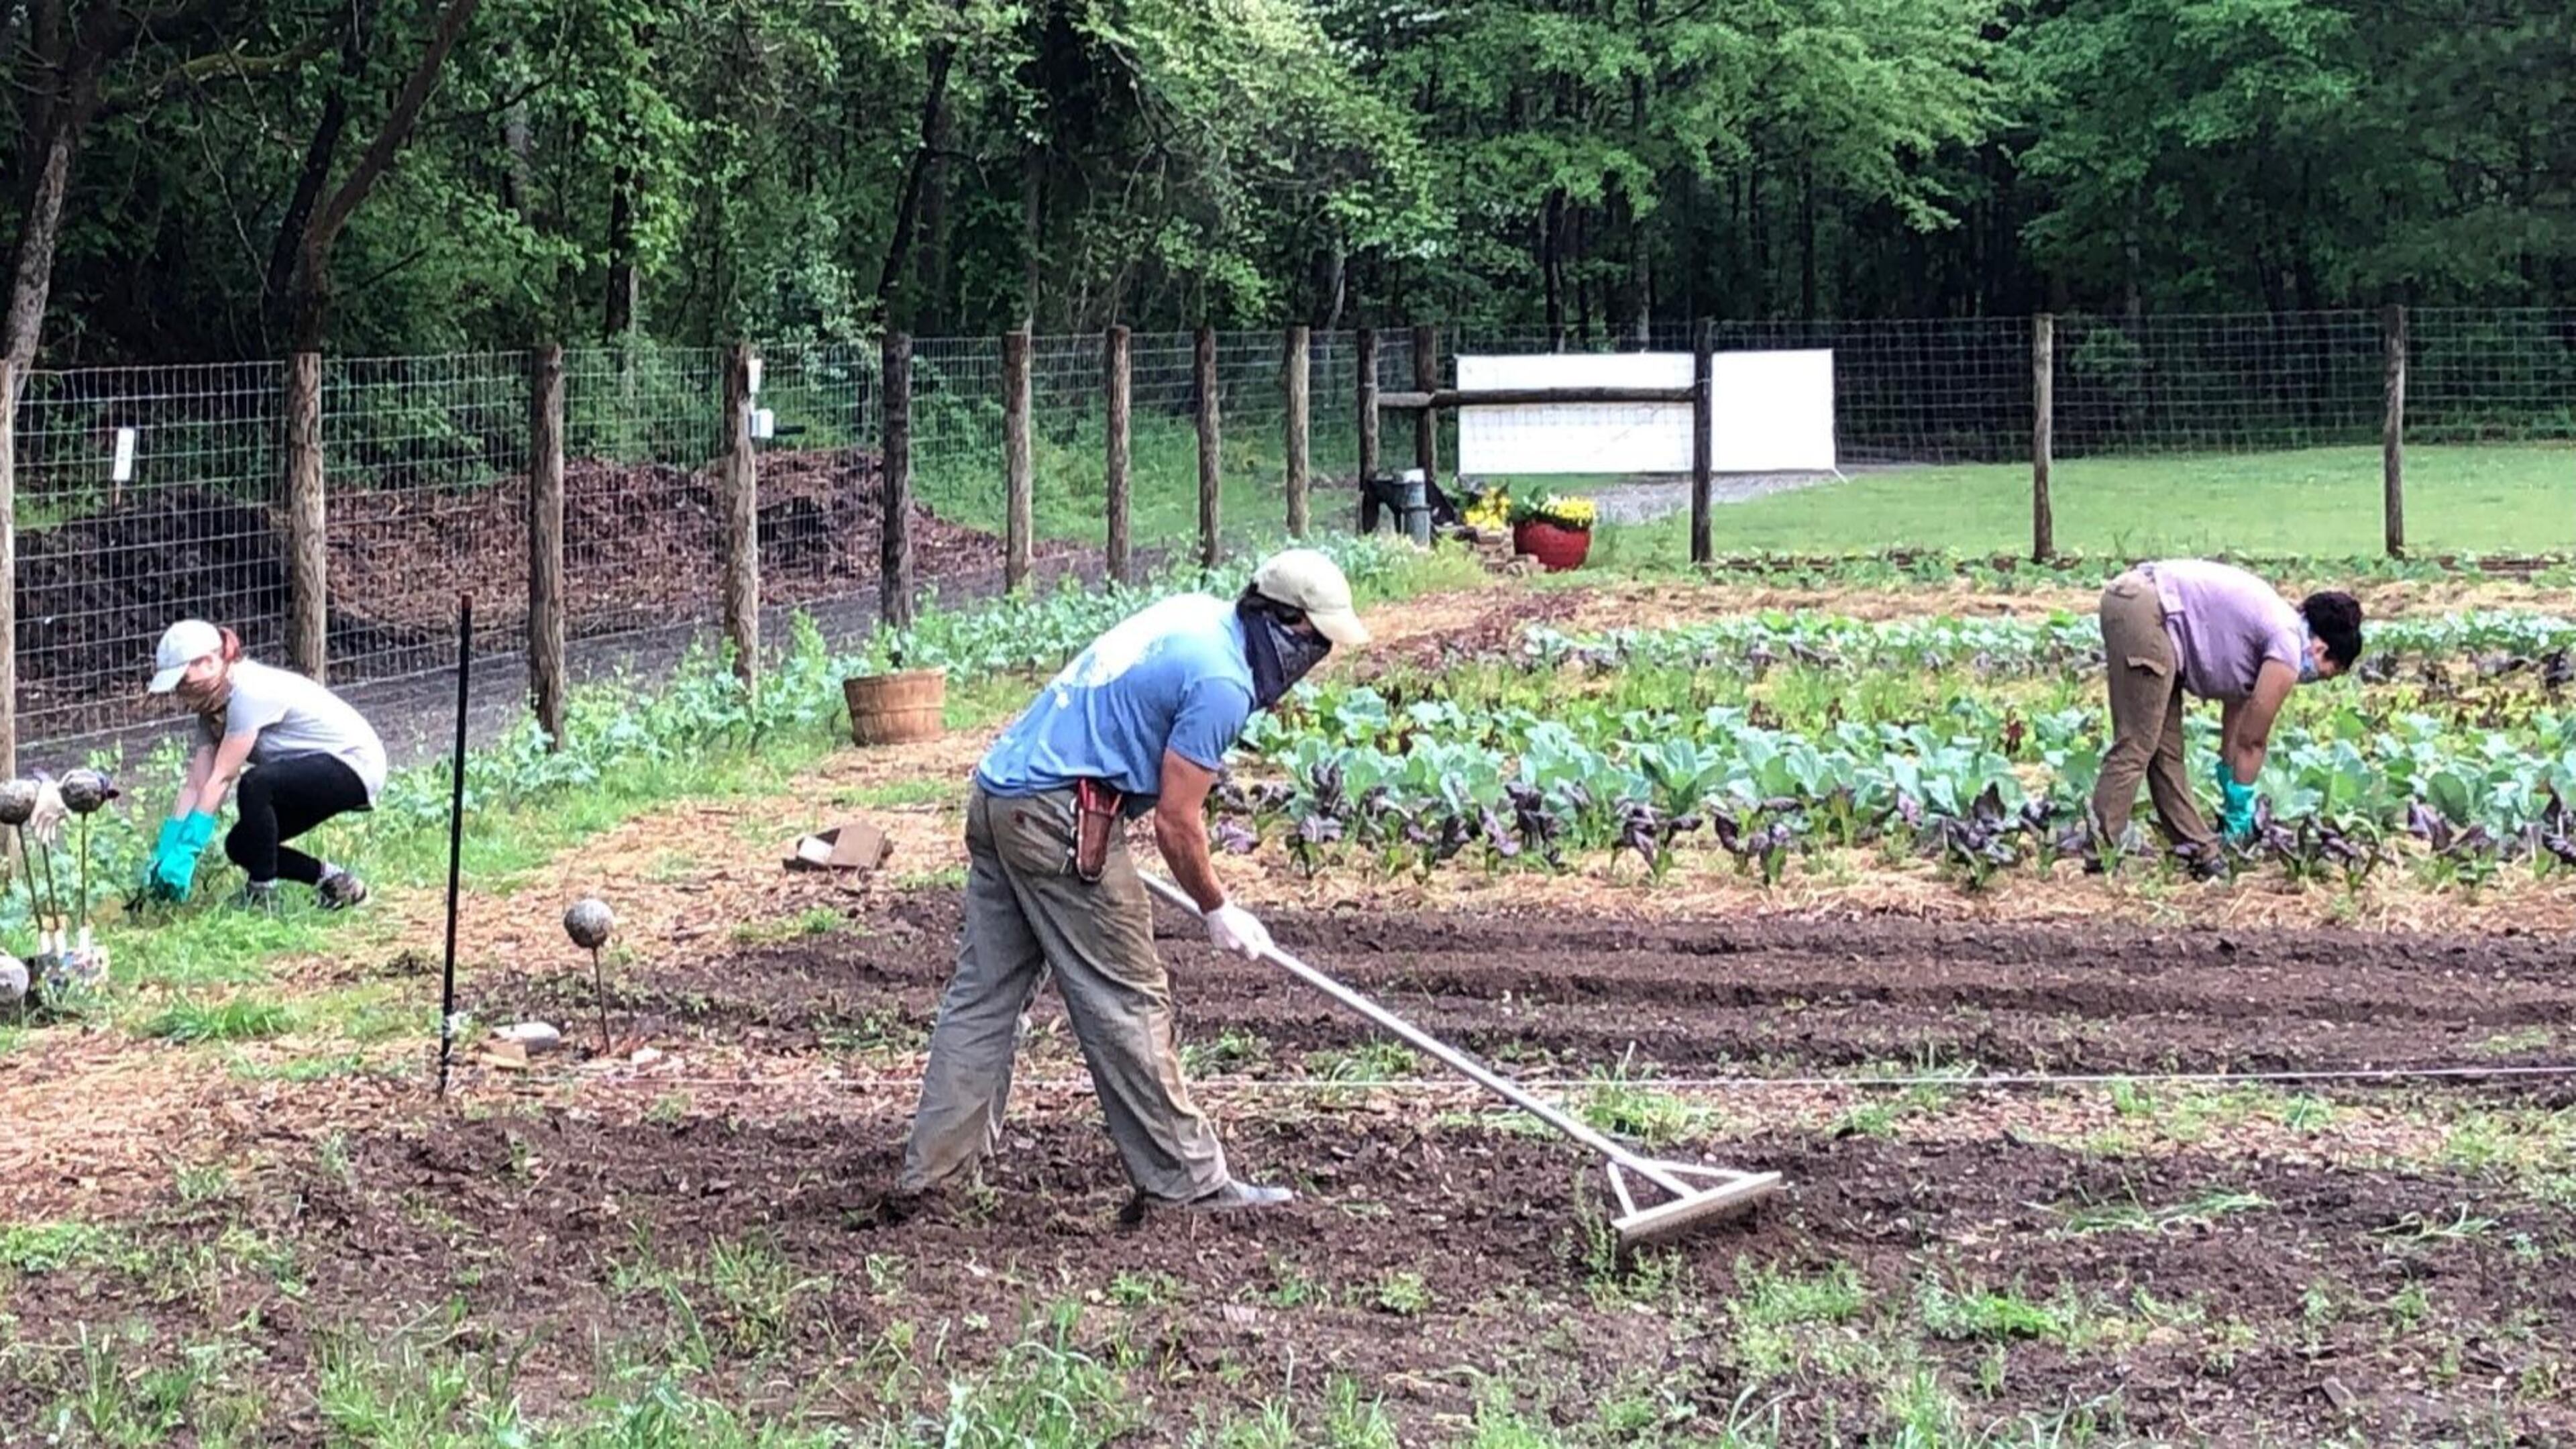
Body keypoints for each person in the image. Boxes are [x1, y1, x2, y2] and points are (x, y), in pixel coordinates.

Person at [896, 549, 1371, 1214]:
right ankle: (1188, 1182)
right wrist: (1217, 907)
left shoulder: (1197, 618)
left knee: (984, 999)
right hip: (1061, 814)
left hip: (1001, 793)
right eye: (1316, 640)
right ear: (1285, 623)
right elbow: (1179, 821)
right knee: (1127, 997)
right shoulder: (1223, 683)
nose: (1316, 656)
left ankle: (934, 1181)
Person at [2092, 560, 2363, 860]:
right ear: (2321, 649)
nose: (2319, 677)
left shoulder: (2271, 630)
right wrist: (2240, 803)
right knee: (2138, 741)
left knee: (2166, 749)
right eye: (2330, 670)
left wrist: (2228, 774)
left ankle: (2198, 847)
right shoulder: (2287, 646)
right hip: (2145, 609)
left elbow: (2238, 715)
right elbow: (2253, 740)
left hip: (2145, 605)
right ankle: (2103, 846)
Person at [142, 619, 388, 911]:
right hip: (316, 770)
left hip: (355, 763)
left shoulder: (247, 692)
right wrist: (167, 850)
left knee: (256, 784)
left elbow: (222, 778)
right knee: (243, 844)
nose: (181, 693)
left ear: (209, 662)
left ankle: (262, 896)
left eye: (184, 681)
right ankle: (338, 883)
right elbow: (197, 784)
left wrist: (188, 850)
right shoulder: (211, 710)